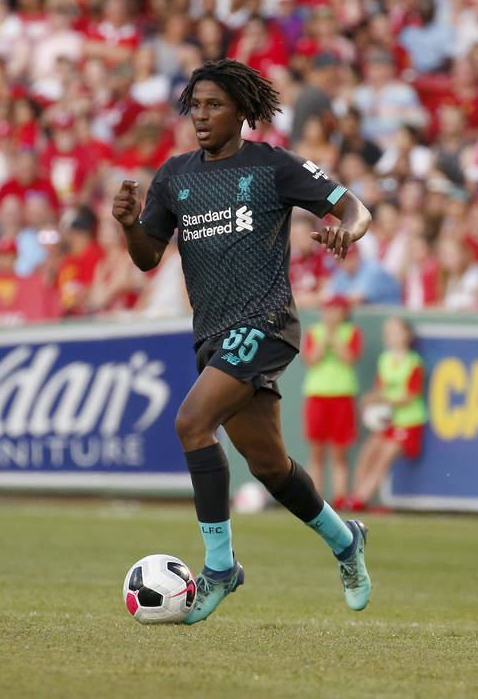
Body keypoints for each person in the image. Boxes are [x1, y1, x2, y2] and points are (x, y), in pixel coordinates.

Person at [111, 59, 374, 624]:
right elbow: (147, 257)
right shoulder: (175, 176)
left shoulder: (272, 166)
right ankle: (345, 541)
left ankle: (220, 567)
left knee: (190, 423)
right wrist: (130, 224)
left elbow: (354, 208)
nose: (201, 116)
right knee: (270, 466)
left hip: (267, 323)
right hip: (211, 333)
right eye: (196, 106)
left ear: (243, 112)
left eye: (215, 106)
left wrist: (345, 230)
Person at [346, 317, 427, 512]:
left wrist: (381, 400)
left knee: (384, 456)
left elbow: (409, 396)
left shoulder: (414, 362)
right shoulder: (385, 360)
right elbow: (381, 388)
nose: (392, 336)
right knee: (368, 452)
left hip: (409, 421)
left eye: (397, 331)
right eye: (389, 332)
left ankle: (360, 499)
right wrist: (370, 399)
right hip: (389, 421)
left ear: (408, 335)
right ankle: (356, 494)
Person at [301, 294, 362, 509]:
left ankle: (339, 496)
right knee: (316, 451)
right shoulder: (314, 332)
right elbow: (311, 359)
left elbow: (349, 358)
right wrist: (325, 337)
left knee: (339, 452)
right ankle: (316, 497)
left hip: (342, 395)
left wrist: (334, 337)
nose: (331, 314)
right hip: (317, 394)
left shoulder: (351, 333)